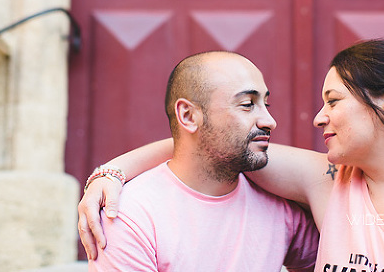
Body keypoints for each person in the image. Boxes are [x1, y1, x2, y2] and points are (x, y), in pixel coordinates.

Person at [79, 39, 384, 272]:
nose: (318, 117)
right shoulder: (327, 180)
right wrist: (112, 173)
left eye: (333, 101)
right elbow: (208, 145)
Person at [78, 50, 319, 271]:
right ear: (188, 115)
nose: (269, 121)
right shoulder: (130, 216)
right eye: (247, 105)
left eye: (265, 104)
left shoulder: (279, 208)